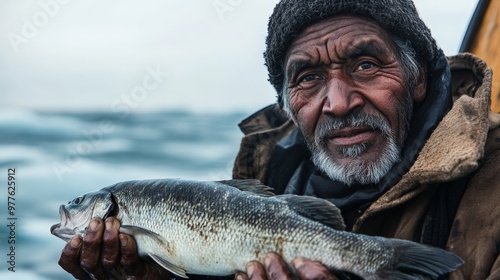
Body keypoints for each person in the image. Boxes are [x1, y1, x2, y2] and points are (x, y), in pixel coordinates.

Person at [57, 0, 500, 279]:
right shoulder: (263, 176)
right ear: (288, 104)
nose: (339, 103)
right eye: (308, 77)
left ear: (417, 76)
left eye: (365, 64)